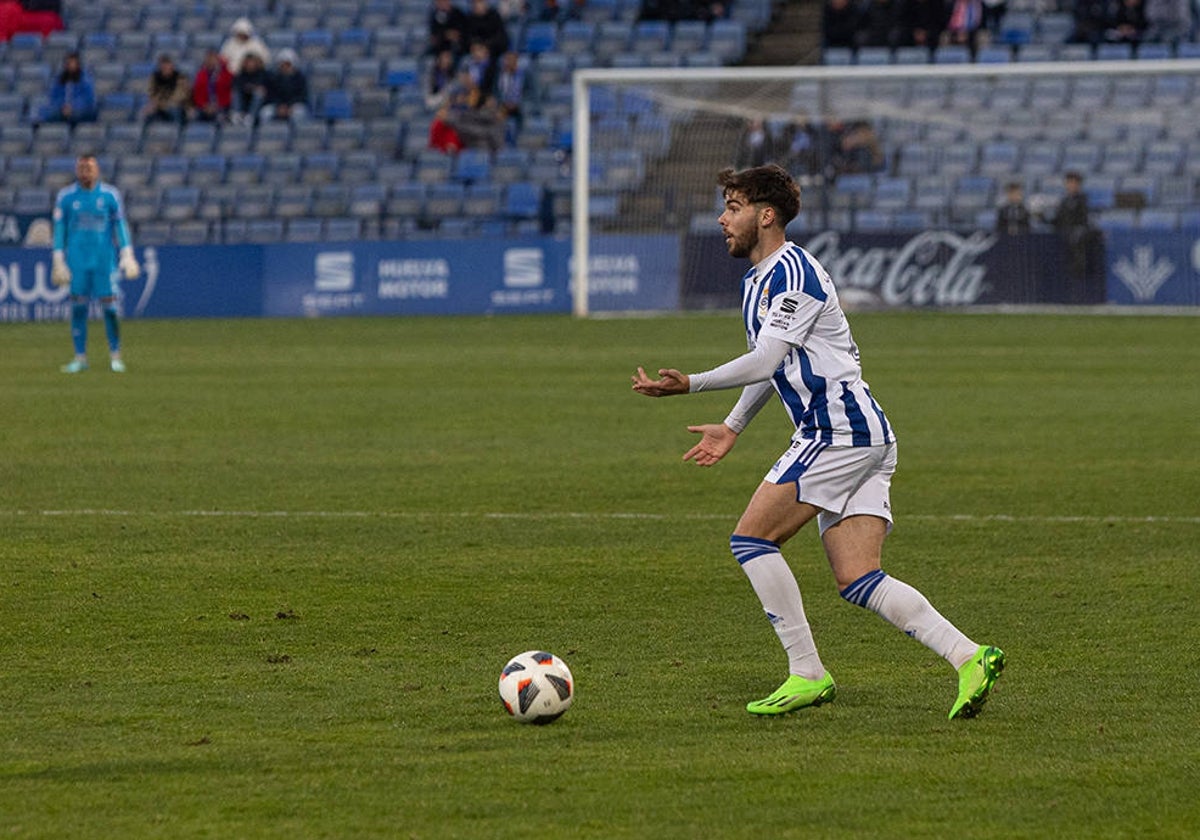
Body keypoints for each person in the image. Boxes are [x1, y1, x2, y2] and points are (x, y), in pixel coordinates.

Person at [631, 163, 1005, 720]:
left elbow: (765, 360)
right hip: (862, 434)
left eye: (732, 208)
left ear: (766, 215)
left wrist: (693, 384)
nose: (721, 218)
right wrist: (732, 426)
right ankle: (970, 656)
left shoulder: (793, 272)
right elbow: (773, 369)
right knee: (857, 577)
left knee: (751, 540)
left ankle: (807, 673)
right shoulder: (758, 280)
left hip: (839, 431)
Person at [51, 154, 139, 374]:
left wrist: (127, 254)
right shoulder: (66, 197)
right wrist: (58, 260)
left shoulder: (110, 195)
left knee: (110, 308)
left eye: (89, 167)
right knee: (78, 308)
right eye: (81, 167)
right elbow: (59, 229)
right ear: (76, 170)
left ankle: (115, 356)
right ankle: (80, 358)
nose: (85, 172)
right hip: (77, 261)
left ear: (97, 170)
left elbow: (120, 225)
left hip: (104, 261)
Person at [39, 51, 97, 126]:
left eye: (73, 63)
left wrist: (72, 106)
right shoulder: (59, 80)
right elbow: (54, 98)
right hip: (62, 111)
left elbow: (88, 99)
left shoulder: (85, 80)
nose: (70, 66)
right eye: (68, 63)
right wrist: (63, 106)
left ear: (78, 64)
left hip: (82, 111)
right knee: (46, 113)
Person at [258, 49, 309, 123]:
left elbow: (302, 96)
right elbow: (270, 95)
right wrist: (279, 106)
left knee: (299, 113)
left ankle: (295, 134)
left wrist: (289, 106)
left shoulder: (300, 78)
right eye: (282, 64)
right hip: (277, 106)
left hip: (294, 105)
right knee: (265, 113)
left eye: (288, 64)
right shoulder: (273, 77)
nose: (285, 67)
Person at [142, 53, 190, 125]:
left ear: (172, 66)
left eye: (167, 65)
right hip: (159, 107)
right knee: (146, 113)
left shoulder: (180, 78)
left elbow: (179, 96)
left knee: (174, 111)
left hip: (176, 106)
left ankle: (175, 132)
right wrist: (156, 104)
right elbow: (152, 94)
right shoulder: (155, 78)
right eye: (163, 66)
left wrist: (162, 103)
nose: (165, 68)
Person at [191, 48, 234, 123]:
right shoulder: (201, 75)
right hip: (204, 107)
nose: (210, 61)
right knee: (194, 116)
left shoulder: (226, 74)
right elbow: (197, 94)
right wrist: (204, 106)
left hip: (221, 106)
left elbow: (228, 93)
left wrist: (216, 106)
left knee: (220, 117)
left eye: (213, 59)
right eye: (208, 59)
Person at [232, 51, 270, 124]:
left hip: (259, 104)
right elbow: (238, 86)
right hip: (244, 101)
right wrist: (250, 88)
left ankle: (250, 117)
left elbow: (264, 88)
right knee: (235, 93)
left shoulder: (262, 74)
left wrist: (252, 88)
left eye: (251, 62)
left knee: (259, 93)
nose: (249, 64)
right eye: (248, 62)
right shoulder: (240, 74)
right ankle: (237, 115)